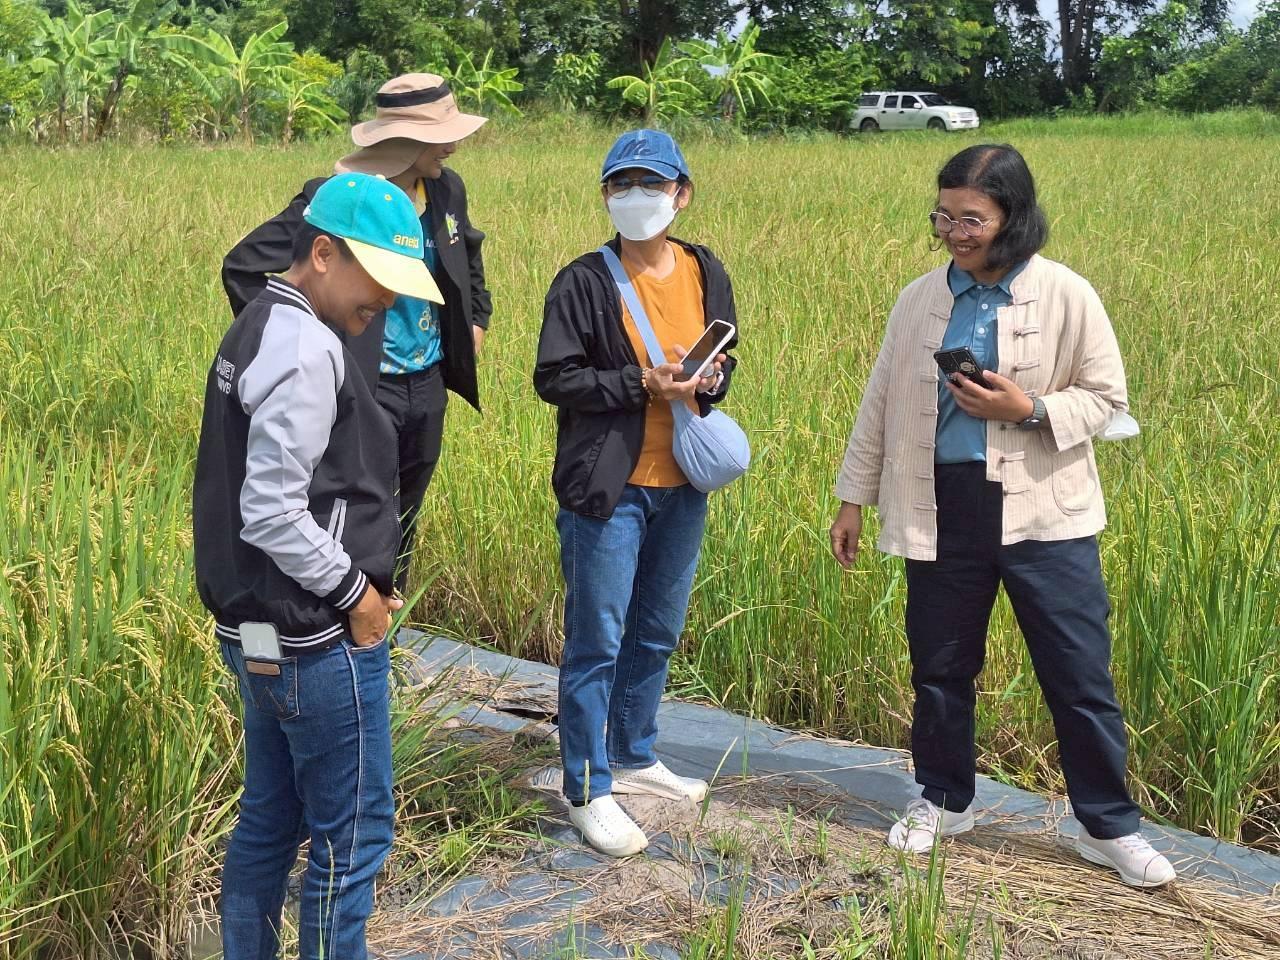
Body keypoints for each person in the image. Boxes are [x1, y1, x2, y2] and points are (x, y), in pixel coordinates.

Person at [828, 144, 1176, 888]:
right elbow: (881, 401)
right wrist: (852, 495)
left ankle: (1105, 825)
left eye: (972, 218)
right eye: (944, 216)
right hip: (942, 505)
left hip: (1046, 511)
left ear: (1012, 216)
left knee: (1078, 673)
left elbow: (1110, 400)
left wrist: (1031, 408)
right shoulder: (919, 298)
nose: (955, 231)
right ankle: (945, 800)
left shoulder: (1066, 293)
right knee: (941, 668)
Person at [194, 173, 437, 958]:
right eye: (380, 280)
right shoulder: (305, 349)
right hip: (316, 637)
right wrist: (359, 595)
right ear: (324, 254)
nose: (390, 304)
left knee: (270, 814)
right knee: (354, 836)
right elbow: (271, 510)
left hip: (258, 629)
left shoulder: (262, 321)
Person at [533, 130, 740, 857]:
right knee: (597, 638)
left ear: (682, 193)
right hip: (609, 488)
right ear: (605, 196)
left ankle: (635, 752)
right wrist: (637, 383)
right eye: (621, 184)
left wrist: (709, 380)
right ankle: (587, 787)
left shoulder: (704, 267)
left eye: (651, 184)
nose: (637, 197)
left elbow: (725, 353)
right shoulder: (583, 281)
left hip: (682, 483)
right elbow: (553, 378)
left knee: (656, 630)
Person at [222, 73, 492, 592]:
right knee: (359, 507)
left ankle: (390, 618)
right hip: (364, 384)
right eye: (442, 137)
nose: (454, 146)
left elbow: (467, 255)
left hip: (427, 380)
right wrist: (301, 341)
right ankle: (351, 618)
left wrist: (475, 318)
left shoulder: (445, 189)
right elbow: (243, 266)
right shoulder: (336, 200)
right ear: (405, 141)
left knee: (406, 510)